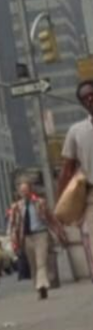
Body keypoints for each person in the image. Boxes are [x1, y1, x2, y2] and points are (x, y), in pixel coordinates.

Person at [7, 177, 64, 300]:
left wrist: (59, 230)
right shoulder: (16, 207)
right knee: (33, 265)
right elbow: (12, 225)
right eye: (22, 191)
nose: (24, 193)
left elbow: (51, 218)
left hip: (41, 235)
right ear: (19, 192)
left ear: (31, 190)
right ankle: (39, 289)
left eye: (26, 190)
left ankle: (42, 285)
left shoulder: (40, 203)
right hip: (26, 238)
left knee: (41, 263)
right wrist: (13, 241)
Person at [57, 79, 93, 275]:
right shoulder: (76, 131)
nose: (90, 100)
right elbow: (67, 170)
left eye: (92, 95)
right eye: (85, 98)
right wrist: (61, 207)